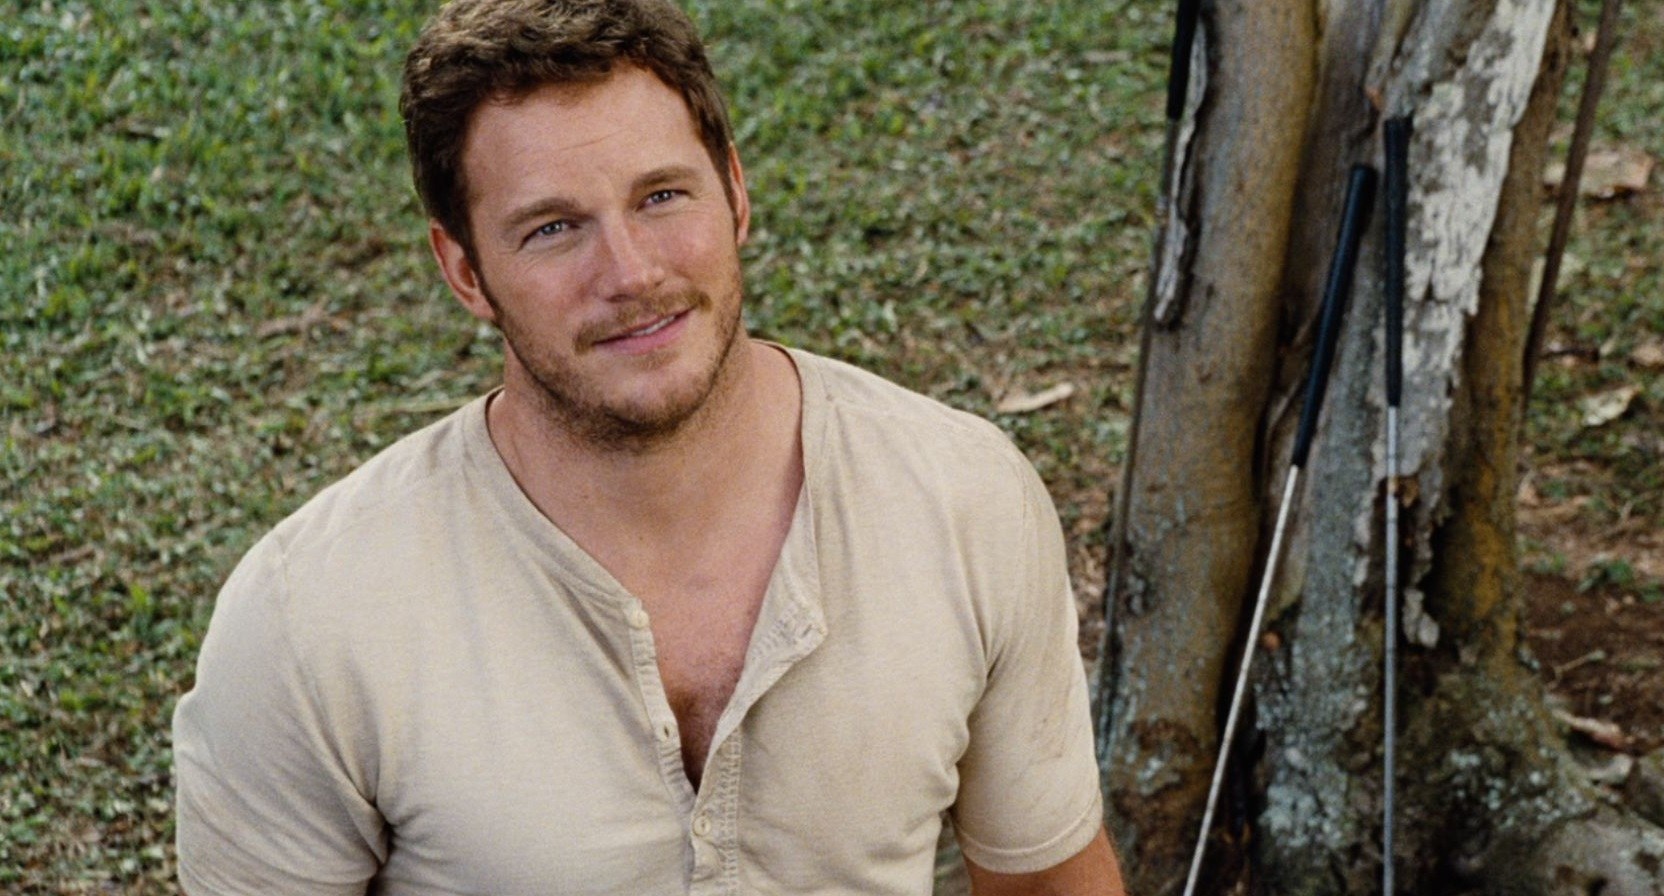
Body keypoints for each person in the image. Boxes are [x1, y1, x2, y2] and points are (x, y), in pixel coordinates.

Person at [171, 1, 1125, 893]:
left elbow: (1049, 880)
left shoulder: (963, 503)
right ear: (464, 270)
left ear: (736, 193)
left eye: (662, 196)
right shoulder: (308, 624)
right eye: (553, 229)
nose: (630, 273)